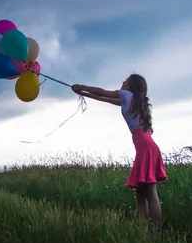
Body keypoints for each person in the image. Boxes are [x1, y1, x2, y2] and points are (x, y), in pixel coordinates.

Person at [71, 74, 168, 232]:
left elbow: (102, 91)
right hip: (148, 147)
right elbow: (103, 98)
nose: (122, 82)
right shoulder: (132, 101)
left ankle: (154, 233)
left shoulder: (125, 95)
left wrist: (81, 86)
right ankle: (143, 232)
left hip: (145, 148)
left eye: (126, 80)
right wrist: (84, 93)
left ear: (130, 85)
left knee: (150, 193)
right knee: (141, 195)